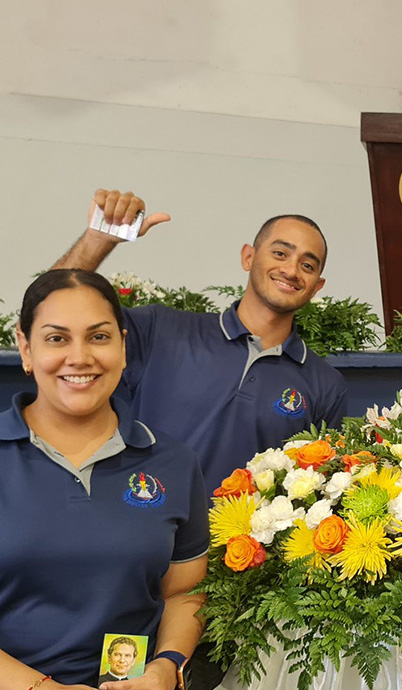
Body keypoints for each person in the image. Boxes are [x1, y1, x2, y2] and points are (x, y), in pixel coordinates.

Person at [0, 270, 209, 690]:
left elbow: (184, 590)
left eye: (98, 336)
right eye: (56, 339)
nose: (80, 357)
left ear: (123, 347)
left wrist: (166, 664)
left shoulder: (173, 463)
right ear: (25, 349)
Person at [55, 190, 349, 496]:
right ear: (248, 257)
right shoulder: (161, 330)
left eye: (308, 265)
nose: (291, 270)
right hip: (141, 534)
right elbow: (51, 311)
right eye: (280, 253)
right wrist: (99, 240)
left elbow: (318, 491)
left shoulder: (325, 384)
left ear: (317, 287)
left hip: (242, 542)